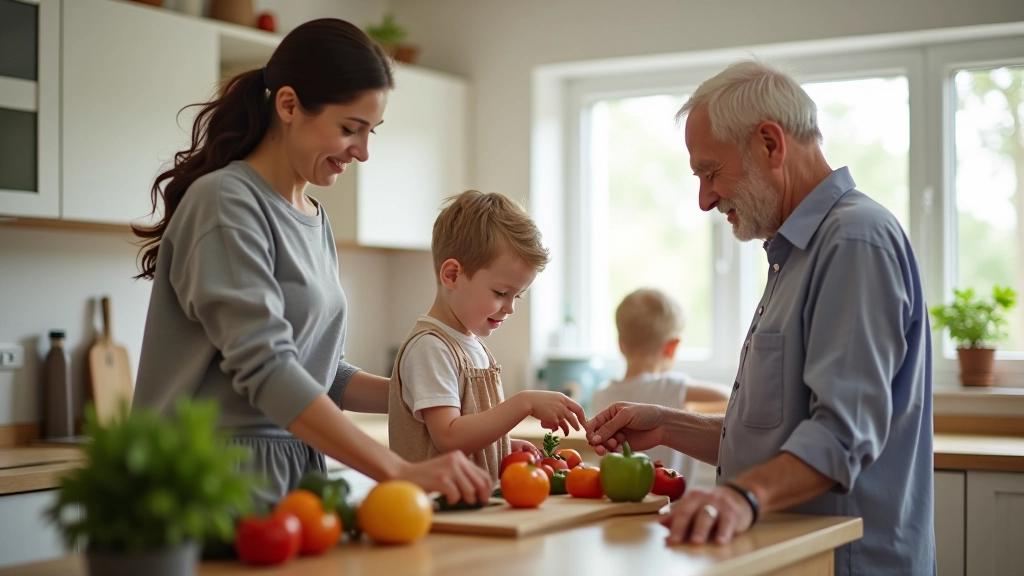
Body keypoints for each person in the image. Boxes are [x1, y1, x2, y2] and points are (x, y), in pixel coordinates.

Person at [586, 59, 934, 576]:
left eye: (710, 172)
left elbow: (841, 434)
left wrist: (740, 498)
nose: (704, 199)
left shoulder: (854, 242)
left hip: (844, 564)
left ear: (770, 144)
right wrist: (667, 425)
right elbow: (775, 433)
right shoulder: (795, 253)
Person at [131, 19, 492, 507]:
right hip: (211, 476)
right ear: (288, 105)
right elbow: (267, 367)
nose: (363, 152)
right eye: (350, 129)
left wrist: (429, 395)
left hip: (295, 472)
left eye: (371, 132)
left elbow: (323, 372)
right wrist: (398, 469)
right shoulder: (224, 201)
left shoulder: (313, 217)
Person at [388, 190, 587, 483]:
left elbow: (471, 431)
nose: (510, 308)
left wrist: (501, 446)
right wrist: (524, 403)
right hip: (435, 512)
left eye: (517, 296)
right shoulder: (431, 347)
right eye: (501, 293)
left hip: (471, 509)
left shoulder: (473, 347)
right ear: (453, 275)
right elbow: (449, 436)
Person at [591, 288, 729, 485]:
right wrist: (691, 410)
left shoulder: (601, 393)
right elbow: (731, 397)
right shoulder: (674, 386)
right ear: (671, 347)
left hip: (618, 499)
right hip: (672, 502)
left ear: (621, 344)